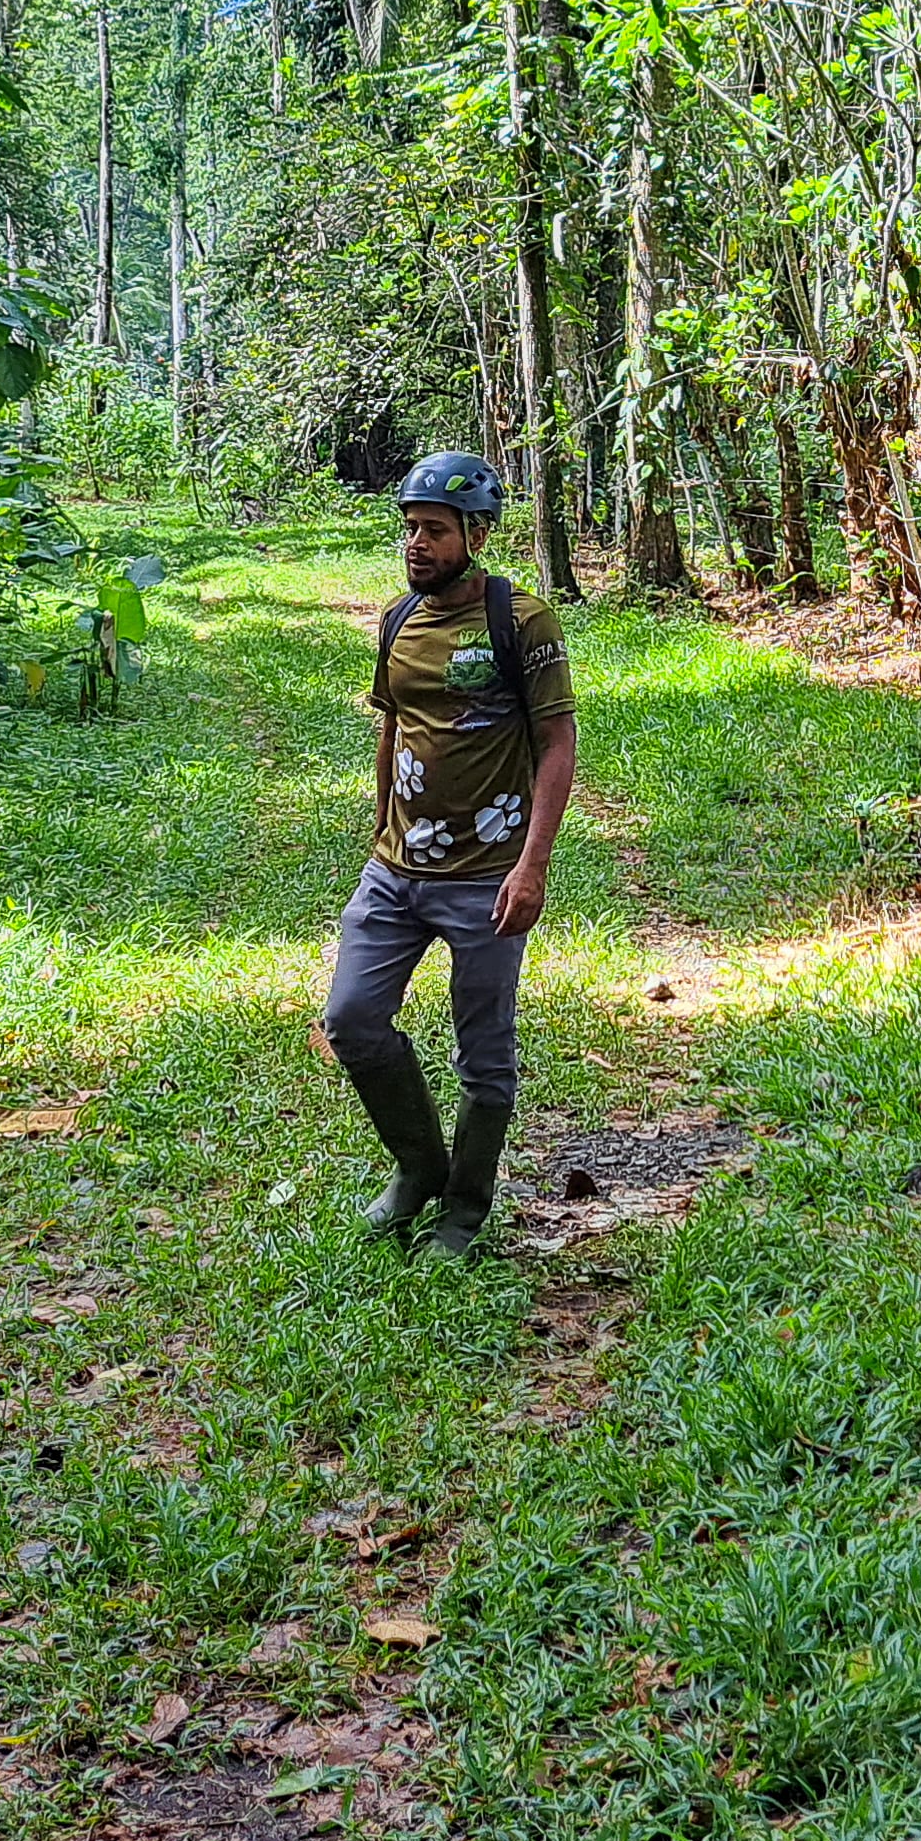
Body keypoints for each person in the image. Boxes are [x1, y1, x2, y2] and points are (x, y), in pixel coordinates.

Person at [323, 450, 575, 1255]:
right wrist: (380, 826)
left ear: (477, 532)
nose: (416, 544)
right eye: (410, 529)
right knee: (353, 1019)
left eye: (433, 530)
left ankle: (464, 1208)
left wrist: (531, 864)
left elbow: (556, 738)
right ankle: (418, 1167)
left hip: (486, 880)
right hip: (397, 871)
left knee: (484, 1053)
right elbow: (392, 720)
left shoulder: (521, 621)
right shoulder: (399, 620)